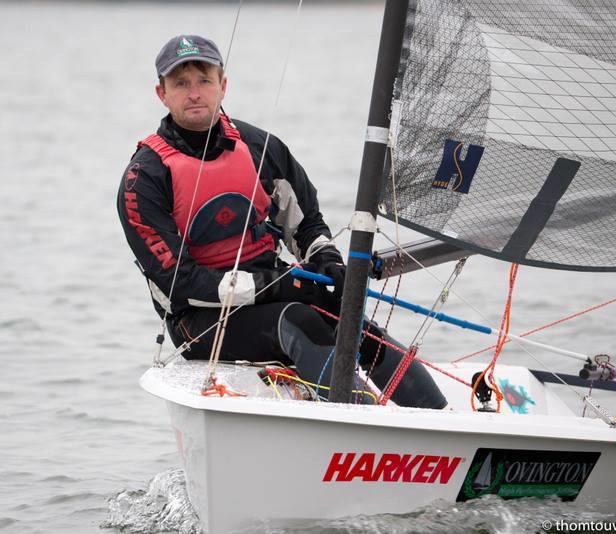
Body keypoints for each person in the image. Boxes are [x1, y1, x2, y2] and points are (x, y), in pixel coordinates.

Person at [117, 34, 445, 408]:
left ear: (222, 86)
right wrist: (276, 287)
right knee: (297, 319)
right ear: (162, 93)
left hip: (272, 290)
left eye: (204, 80)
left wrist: (328, 260)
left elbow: (306, 226)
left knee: (354, 325)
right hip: (199, 321)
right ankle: (364, 425)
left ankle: (444, 421)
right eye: (180, 83)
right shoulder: (143, 179)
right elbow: (182, 284)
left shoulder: (261, 148)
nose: (194, 93)